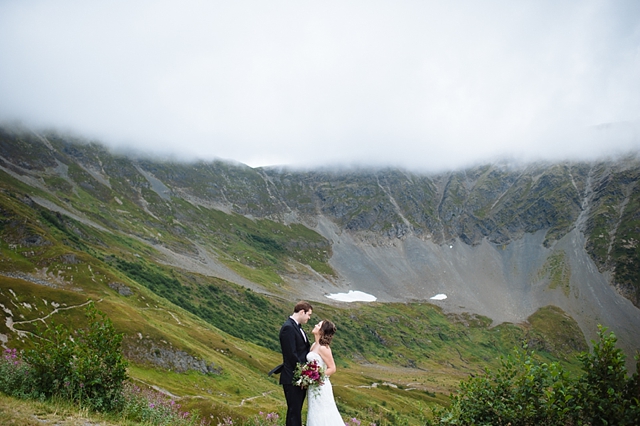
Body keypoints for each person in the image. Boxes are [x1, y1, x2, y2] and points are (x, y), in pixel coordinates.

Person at [278, 301, 313, 426]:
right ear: (302, 312)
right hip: (292, 376)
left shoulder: (296, 327)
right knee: (294, 411)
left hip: (298, 376)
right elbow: (291, 354)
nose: (309, 318)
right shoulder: (288, 327)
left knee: (296, 410)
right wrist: (304, 373)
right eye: (308, 314)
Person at [306, 319, 344, 426]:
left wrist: (317, 377)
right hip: (313, 386)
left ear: (322, 331)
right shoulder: (314, 345)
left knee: (323, 412)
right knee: (314, 411)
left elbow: (332, 368)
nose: (315, 325)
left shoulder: (324, 348)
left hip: (321, 385)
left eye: (318, 325)